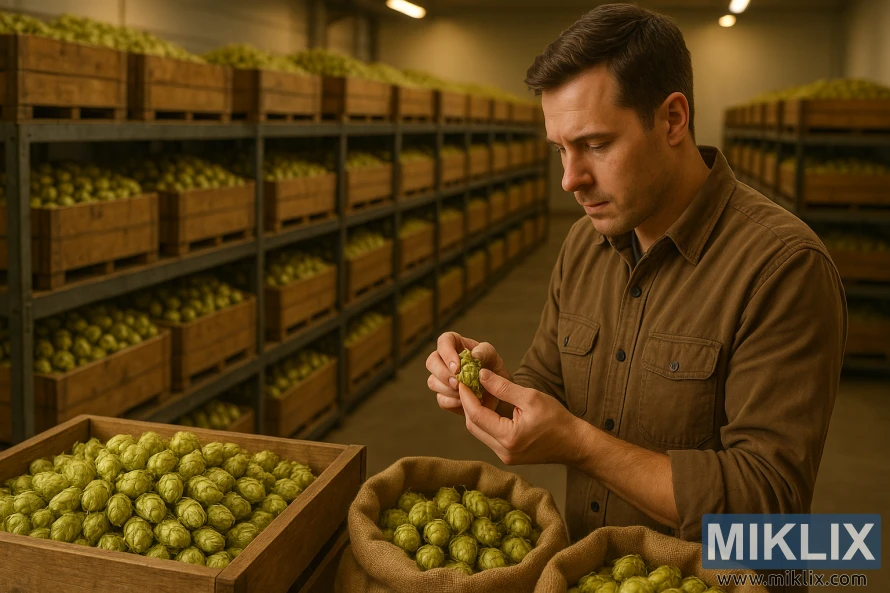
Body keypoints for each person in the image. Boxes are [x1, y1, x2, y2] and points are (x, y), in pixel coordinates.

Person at [425, 3, 846, 546]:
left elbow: (769, 511)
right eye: (560, 149)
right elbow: (550, 383)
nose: (569, 179)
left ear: (673, 119)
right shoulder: (584, 243)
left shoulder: (782, 267)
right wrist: (494, 388)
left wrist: (579, 444)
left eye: (596, 145)